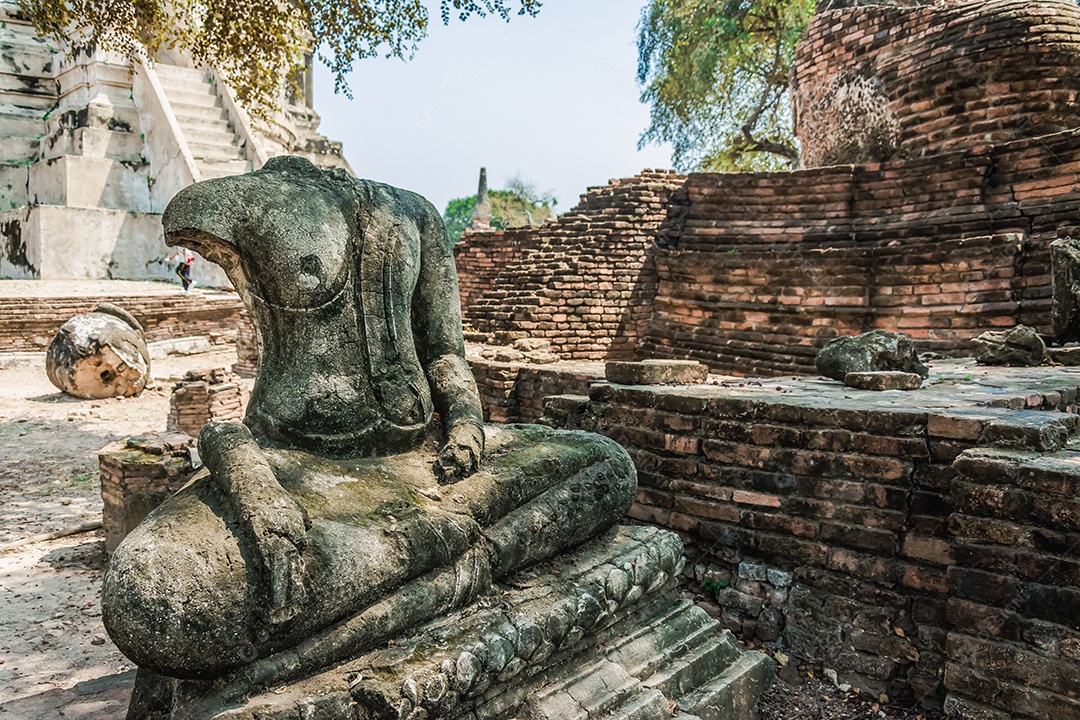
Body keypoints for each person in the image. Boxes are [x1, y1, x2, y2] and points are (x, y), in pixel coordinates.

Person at [102, 156, 636, 687]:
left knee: (608, 464)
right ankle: (454, 550)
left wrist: (467, 425)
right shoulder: (234, 203)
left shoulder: (416, 215)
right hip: (292, 465)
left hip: (428, 459)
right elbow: (222, 435)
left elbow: (446, 353)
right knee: (151, 596)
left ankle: (450, 552)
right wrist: (253, 488)